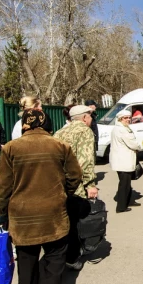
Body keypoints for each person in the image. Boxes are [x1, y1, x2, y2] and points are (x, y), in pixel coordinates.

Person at [0, 109, 82, 284]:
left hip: (22, 215)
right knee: (55, 256)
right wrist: (63, 193)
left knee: (27, 260)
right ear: (47, 124)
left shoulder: (11, 148)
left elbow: (3, 186)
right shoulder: (60, 145)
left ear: (24, 125)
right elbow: (75, 176)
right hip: (54, 212)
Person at [54, 105, 98, 271]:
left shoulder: (60, 132)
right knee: (74, 221)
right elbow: (86, 160)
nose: (91, 119)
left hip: (59, 183)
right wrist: (90, 184)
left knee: (63, 219)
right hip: (76, 184)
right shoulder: (85, 132)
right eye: (90, 116)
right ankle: (72, 257)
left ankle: (61, 252)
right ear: (84, 117)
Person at [110, 110, 141, 213]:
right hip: (124, 160)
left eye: (129, 117)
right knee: (124, 184)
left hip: (122, 160)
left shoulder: (119, 128)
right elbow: (132, 143)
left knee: (126, 183)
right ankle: (121, 206)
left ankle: (128, 201)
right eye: (125, 118)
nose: (128, 119)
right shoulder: (122, 130)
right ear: (120, 119)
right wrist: (139, 146)